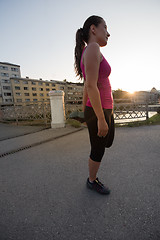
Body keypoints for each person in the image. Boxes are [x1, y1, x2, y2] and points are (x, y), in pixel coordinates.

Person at [74, 15, 115, 195]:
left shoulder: (92, 50)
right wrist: (99, 118)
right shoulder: (93, 47)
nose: (108, 33)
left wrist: (84, 113)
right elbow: (90, 86)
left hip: (103, 109)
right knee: (98, 149)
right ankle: (92, 181)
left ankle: (92, 177)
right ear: (93, 29)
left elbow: (86, 86)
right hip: (99, 110)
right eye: (104, 27)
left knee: (107, 141)